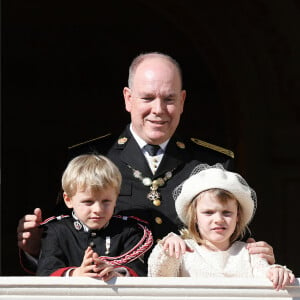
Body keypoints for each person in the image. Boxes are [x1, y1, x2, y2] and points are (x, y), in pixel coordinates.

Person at [17, 51, 275, 274]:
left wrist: (254, 256)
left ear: (183, 101)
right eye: (148, 98)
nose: (158, 109)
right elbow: (61, 240)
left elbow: (233, 240)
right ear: (128, 98)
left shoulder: (213, 164)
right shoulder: (89, 159)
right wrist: (33, 249)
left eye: (169, 99)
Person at [147, 164, 295, 290]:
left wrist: (276, 272)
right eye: (208, 213)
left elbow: (266, 275)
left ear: (238, 217)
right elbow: (159, 277)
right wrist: (167, 249)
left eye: (227, 213)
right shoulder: (183, 251)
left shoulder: (250, 253)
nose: (218, 219)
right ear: (195, 217)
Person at [36, 154, 153, 279]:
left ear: (116, 198)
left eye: (106, 201)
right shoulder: (56, 231)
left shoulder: (130, 231)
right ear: (68, 200)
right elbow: (46, 272)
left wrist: (116, 275)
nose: (98, 210)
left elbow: (139, 273)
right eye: (88, 202)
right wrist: (75, 274)